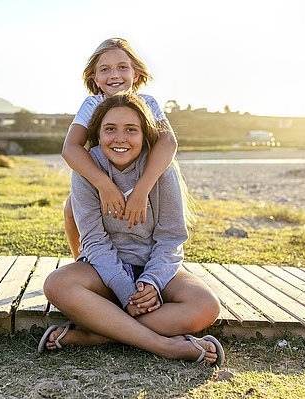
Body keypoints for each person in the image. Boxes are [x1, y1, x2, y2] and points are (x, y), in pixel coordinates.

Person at [41, 94, 224, 366]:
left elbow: (171, 238)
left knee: (206, 306)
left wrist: (151, 282)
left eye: (131, 130)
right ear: (98, 134)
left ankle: (98, 334)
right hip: (104, 270)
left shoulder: (161, 169)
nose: (120, 138)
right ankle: (165, 346)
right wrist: (127, 294)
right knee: (56, 284)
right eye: (110, 129)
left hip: (153, 264)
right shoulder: (86, 170)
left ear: (144, 135)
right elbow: (93, 241)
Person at [63, 38, 177, 259]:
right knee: (70, 207)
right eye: (105, 69)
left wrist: (142, 189)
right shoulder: (92, 104)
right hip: (103, 175)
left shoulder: (148, 103)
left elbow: (168, 142)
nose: (114, 74)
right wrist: (103, 184)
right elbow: (70, 149)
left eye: (122, 67)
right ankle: (81, 259)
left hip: (144, 176)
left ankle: (156, 260)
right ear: (95, 78)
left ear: (135, 74)